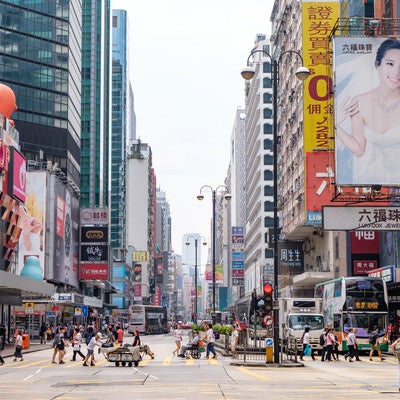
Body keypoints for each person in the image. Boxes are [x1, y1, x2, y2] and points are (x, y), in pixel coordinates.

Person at [337, 38, 400, 184]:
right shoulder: (360, 102)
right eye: (390, 64)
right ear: (377, 65)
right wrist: (336, 126)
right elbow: (359, 150)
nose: (396, 72)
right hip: (376, 178)